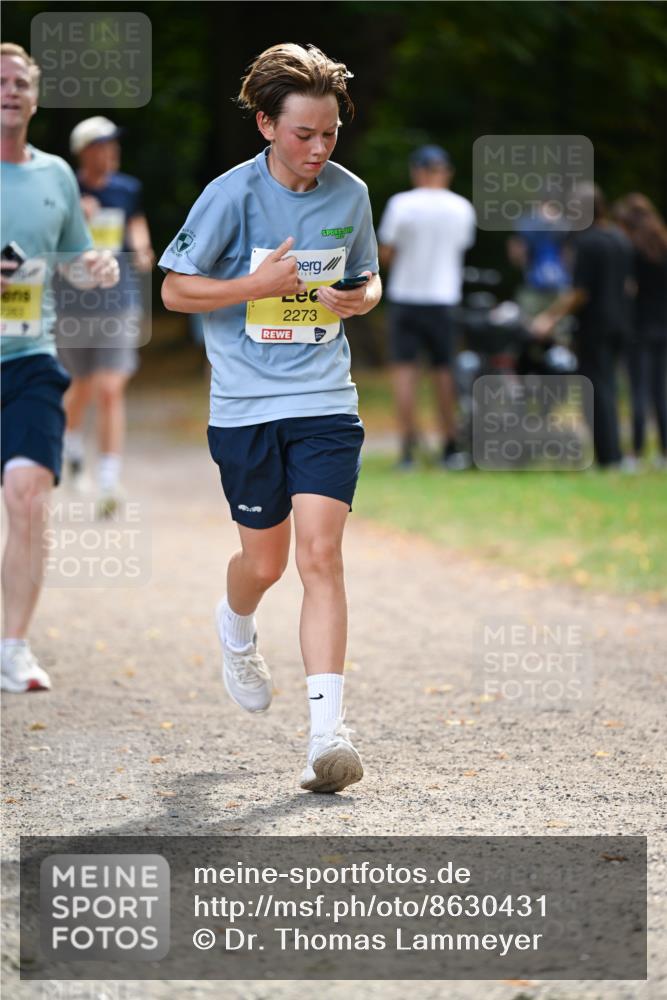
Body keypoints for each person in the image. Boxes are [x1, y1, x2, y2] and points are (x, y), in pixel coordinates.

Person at [159, 43, 381, 793]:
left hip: (323, 401)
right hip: (246, 407)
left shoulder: (349, 194)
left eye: (329, 134)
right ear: (265, 125)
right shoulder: (229, 196)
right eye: (302, 135)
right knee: (265, 563)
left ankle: (327, 736)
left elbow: (366, 272)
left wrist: (362, 297)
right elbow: (176, 293)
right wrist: (254, 284)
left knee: (320, 556)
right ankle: (235, 625)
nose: (318, 149)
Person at [1, 44, 119, 693]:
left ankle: (13, 646)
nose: (10, 90)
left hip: (28, 359)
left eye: (21, 82)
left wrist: (93, 267)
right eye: (1, 81)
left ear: (35, 97)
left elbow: (74, 257)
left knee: (27, 495)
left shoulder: (55, 178)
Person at [56, 116, 155, 516]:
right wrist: (77, 215)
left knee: (110, 388)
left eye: (114, 144)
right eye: (102, 145)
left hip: (118, 300)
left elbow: (136, 226)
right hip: (71, 303)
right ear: (84, 152)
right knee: (79, 385)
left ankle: (109, 482)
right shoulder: (65, 189)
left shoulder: (127, 189)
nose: (111, 152)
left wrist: (143, 249)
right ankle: (72, 446)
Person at [377, 145, 476, 470]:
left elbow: (386, 254)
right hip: (444, 298)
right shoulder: (461, 207)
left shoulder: (402, 204)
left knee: (404, 372)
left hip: (406, 296)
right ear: (446, 171)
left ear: (417, 171)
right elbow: (461, 248)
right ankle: (449, 445)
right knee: (444, 372)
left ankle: (407, 450)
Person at [532, 184, 635, 468]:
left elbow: (580, 292)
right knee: (609, 387)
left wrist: (549, 317)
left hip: (595, 325)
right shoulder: (620, 237)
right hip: (622, 324)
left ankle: (609, 457)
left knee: (595, 390)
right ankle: (614, 453)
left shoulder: (588, 242)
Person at [612, 193, 667, 470]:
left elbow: (627, 289)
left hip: (638, 327)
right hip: (663, 327)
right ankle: (664, 454)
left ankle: (635, 451)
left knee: (638, 391)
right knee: (661, 391)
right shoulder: (663, 245)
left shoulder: (631, 251)